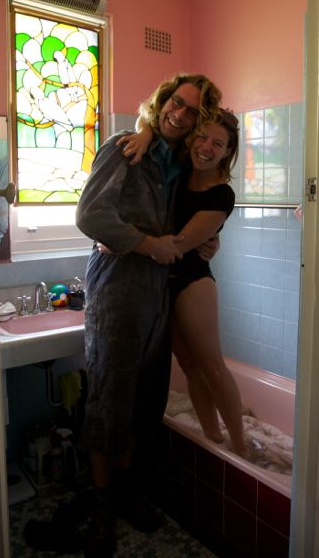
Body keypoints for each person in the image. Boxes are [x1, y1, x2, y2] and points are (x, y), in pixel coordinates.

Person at [75, 73, 222, 558]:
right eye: (176, 102)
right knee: (109, 399)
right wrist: (143, 243)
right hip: (116, 292)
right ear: (162, 100)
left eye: (191, 111)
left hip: (159, 295)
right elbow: (90, 215)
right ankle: (101, 506)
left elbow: (188, 225)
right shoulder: (125, 149)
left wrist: (206, 242)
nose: (179, 114)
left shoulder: (180, 164)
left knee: (145, 399)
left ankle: (123, 491)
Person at [122, 108, 247, 457]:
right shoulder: (177, 173)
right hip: (162, 282)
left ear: (228, 151)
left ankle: (241, 447)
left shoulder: (221, 194)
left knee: (213, 368)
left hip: (192, 283)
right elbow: (148, 121)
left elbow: (178, 245)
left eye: (218, 143)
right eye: (202, 137)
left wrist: (121, 240)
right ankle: (214, 437)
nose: (206, 147)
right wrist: (145, 133)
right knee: (190, 366)